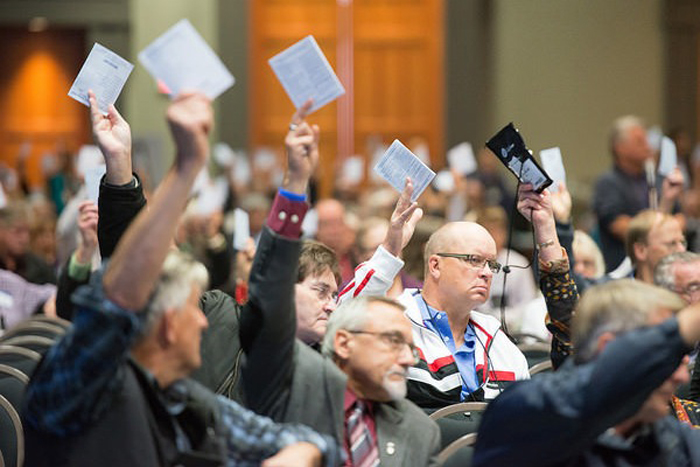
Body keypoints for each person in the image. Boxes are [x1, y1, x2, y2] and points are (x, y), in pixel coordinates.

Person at [22, 91, 339, 467]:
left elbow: (301, 441)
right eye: (193, 308)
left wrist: (304, 452)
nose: (206, 319)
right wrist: (185, 166)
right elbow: (118, 296)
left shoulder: (183, 400)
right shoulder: (80, 386)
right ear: (168, 324)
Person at [238, 102, 441, 466]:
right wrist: (296, 184)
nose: (332, 304)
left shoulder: (419, 430)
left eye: (334, 294)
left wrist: (393, 244)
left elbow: (356, 295)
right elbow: (269, 289)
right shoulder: (269, 354)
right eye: (320, 292)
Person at [340, 183, 576, 407]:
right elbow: (339, 322)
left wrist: (546, 229)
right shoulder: (394, 321)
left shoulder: (498, 343)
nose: (486, 273)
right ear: (435, 265)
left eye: (490, 264)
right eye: (473, 260)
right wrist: (389, 253)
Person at [474, 279, 700, 467]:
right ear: (608, 350)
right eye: (664, 358)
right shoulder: (526, 413)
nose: (682, 377)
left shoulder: (671, 439)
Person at [593, 115, 684, 272]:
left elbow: (680, 218)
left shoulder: (657, 179)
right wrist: (663, 232)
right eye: (639, 141)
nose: (647, 146)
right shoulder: (608, 183)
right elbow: (619, 226)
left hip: (665, 268)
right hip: (625, 271)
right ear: (619, 147)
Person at [626, 209, 687, 284]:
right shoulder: (615, 293)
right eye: (672, 244)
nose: (682, 250)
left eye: (682, 242)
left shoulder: (691, 292)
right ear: (640, 250)